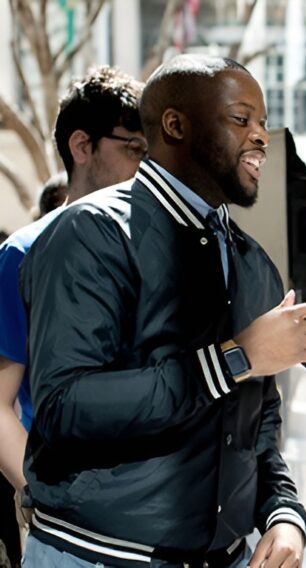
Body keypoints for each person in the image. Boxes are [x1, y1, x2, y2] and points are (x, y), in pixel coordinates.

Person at [18, 54, 306, 567]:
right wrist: (236, 358)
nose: (260, 137)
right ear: (175, 125)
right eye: (241, 119)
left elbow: (256, 427)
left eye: (262, 122)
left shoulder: (253, 263)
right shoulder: (89, 234)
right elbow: (65, 409)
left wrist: (284, 515)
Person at [0, 65, 144, 565]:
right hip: (69, 535)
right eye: (134, 149)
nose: (148, 167)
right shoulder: (23, 255)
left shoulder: (157, 251)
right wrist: (45, 499)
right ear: (82, 146)